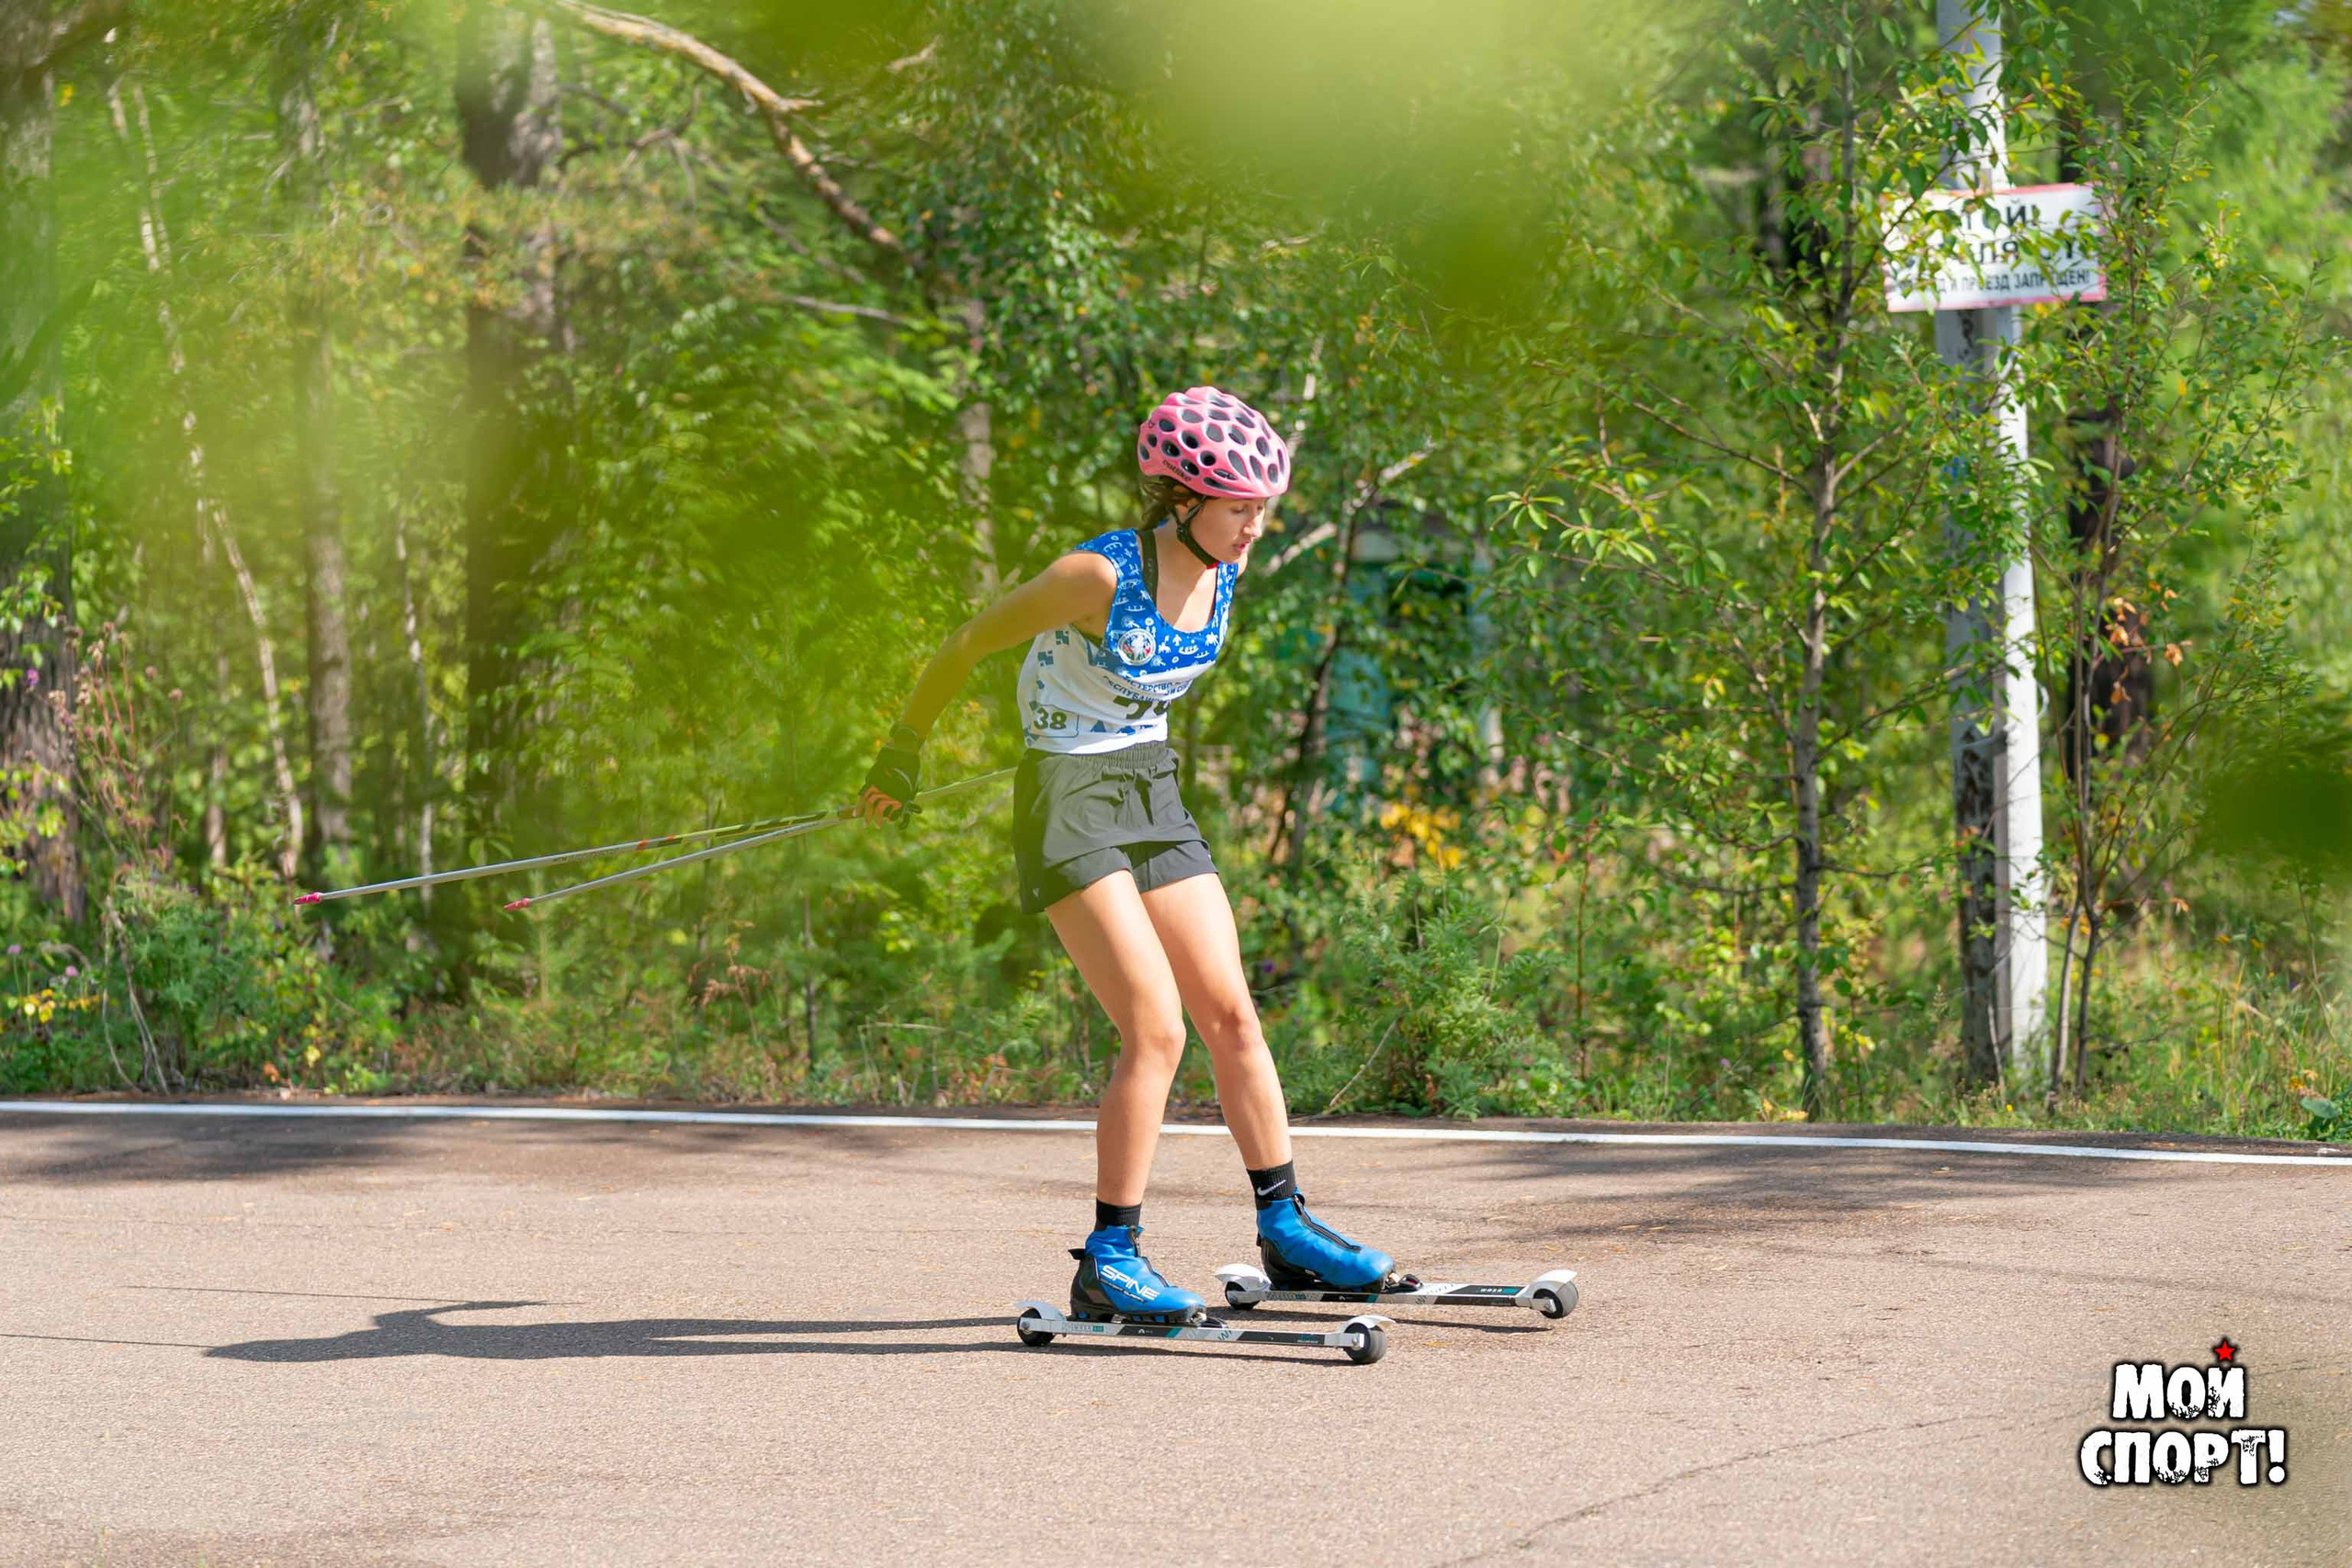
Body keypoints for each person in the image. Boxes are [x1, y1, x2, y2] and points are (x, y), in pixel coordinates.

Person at [857, 385, 1396, 1324]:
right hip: (1068, 796)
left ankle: (1287, 1225)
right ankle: (1109, 1256)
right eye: (1239, 508)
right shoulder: (1095, 577)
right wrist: (899, 754)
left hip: (1149, 781)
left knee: (1231, 1012)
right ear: (1181, 501)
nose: (1255, 528)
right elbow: (964, 643)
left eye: (1263, 508)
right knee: (1155, 1026)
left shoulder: (1224, 564)